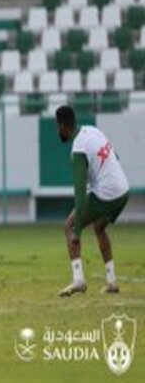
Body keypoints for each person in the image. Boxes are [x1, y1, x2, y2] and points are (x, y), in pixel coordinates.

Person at [55, 106, 130, 297]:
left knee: (69, 226)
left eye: (58, 126)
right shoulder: (93, 130)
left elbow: (80, 196)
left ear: (63, 126)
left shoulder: (78, 148)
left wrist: (77, 231)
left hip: (107, 194)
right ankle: (112, 281)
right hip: (123, 190)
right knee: (99, 227)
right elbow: (117, 156)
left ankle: (78, 279)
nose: (58, 131)